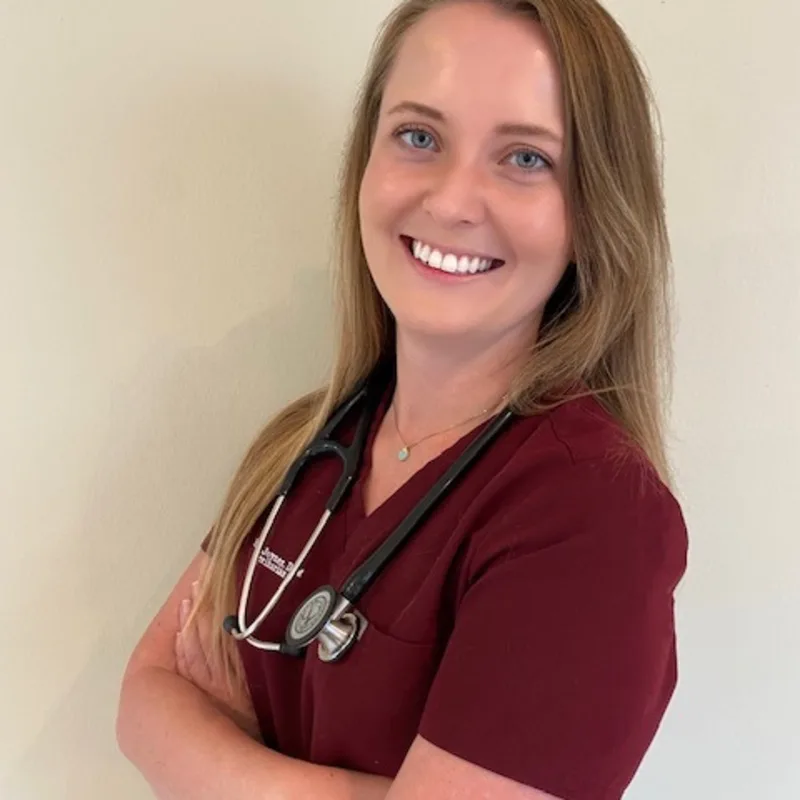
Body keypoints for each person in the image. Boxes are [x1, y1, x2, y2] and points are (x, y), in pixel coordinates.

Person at [116, 0, 688, 798]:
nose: (453, 201)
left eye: (525, 158)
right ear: (365, 165)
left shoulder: (592, 513)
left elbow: (173, 725)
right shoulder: (304, 445)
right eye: (419, 137)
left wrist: (209, 753)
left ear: (592, 213)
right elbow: (142, 700)